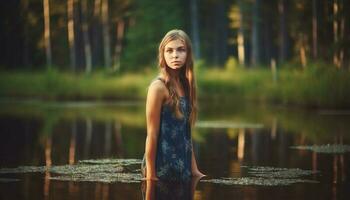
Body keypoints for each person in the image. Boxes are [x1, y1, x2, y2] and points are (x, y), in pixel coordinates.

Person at [142, 29, 205, 181]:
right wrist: (151, 177)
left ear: (188, 53)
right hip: (161, 168)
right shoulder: (158, 87)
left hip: (182, 166)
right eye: (169, 50)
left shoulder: (186, 85)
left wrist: (195, 172)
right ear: (162, 54)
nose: (175, 55)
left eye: (180, 50)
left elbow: (186, 136)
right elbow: (152, 135)